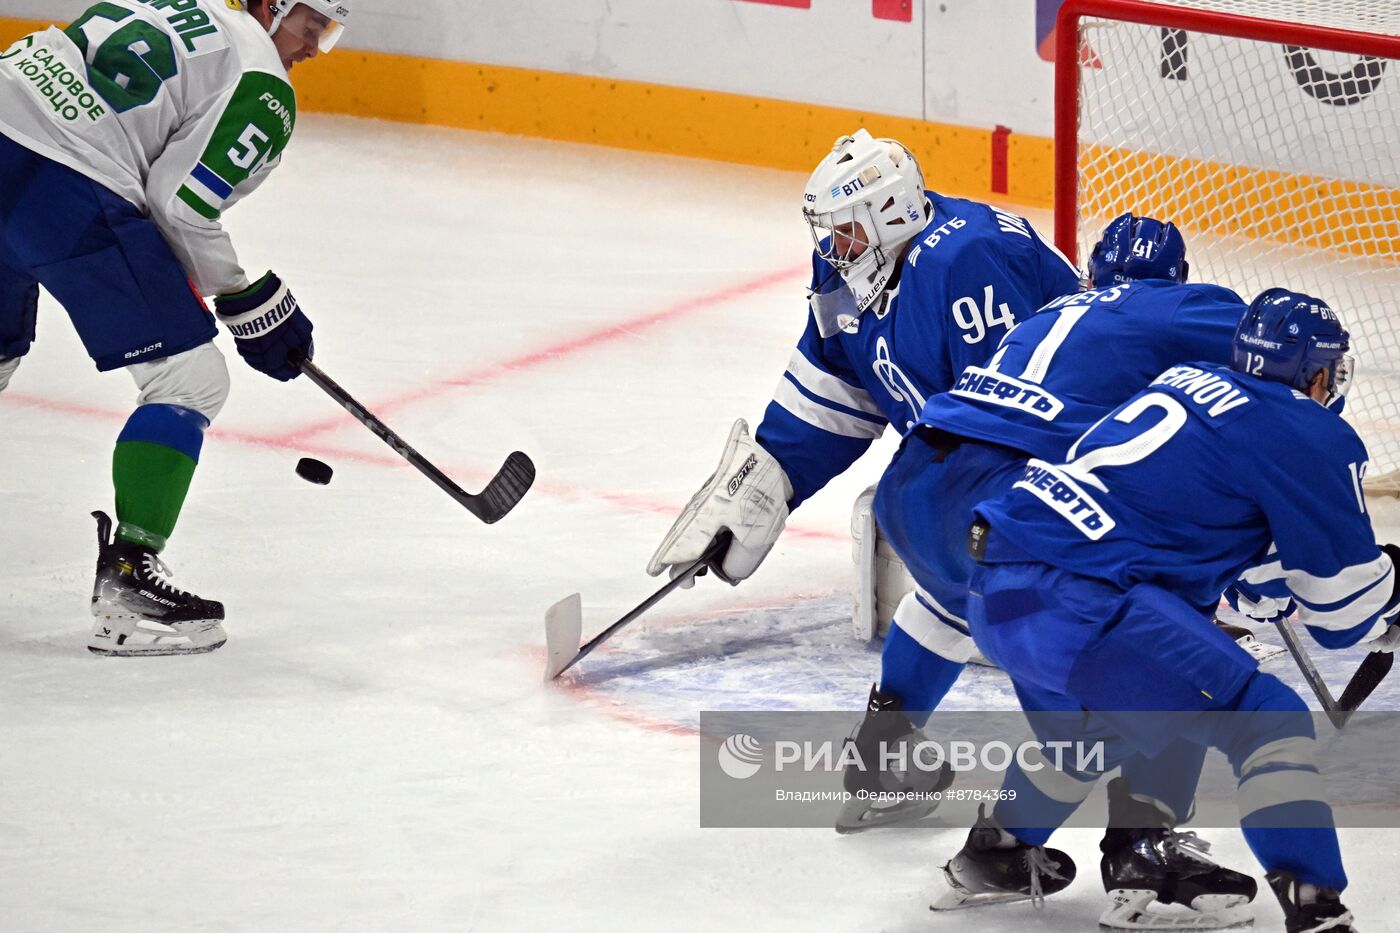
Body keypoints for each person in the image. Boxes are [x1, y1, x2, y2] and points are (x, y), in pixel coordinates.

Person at [943, 288, 1397, 932]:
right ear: (1318, 372)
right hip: (1085, 601)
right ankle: (1315, 902)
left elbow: (1246, 580)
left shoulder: (1188, 381)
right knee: (1267, 719)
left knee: (1119, 718)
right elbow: (1342, 614)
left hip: (996, 585)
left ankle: (999, 852)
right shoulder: (1307, 428)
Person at [645, 124, 1078, 799]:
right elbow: (835, 387)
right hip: (952, 472)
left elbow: (1025, 412)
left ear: (892, 213)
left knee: (984, 601)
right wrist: (764, 481)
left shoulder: (968, 260)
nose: (831, 246)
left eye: (844, 230)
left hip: (1060, 455)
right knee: (966, 593)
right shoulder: (848, 272)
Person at [0, 0, 350, 655]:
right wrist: (246, 299)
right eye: (312, 25)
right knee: (189, 377)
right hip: (63, 177)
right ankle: (130, 579)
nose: (312, 47)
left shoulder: (176, 5)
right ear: (272, 7)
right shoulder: (264, 84)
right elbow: (179, 204)